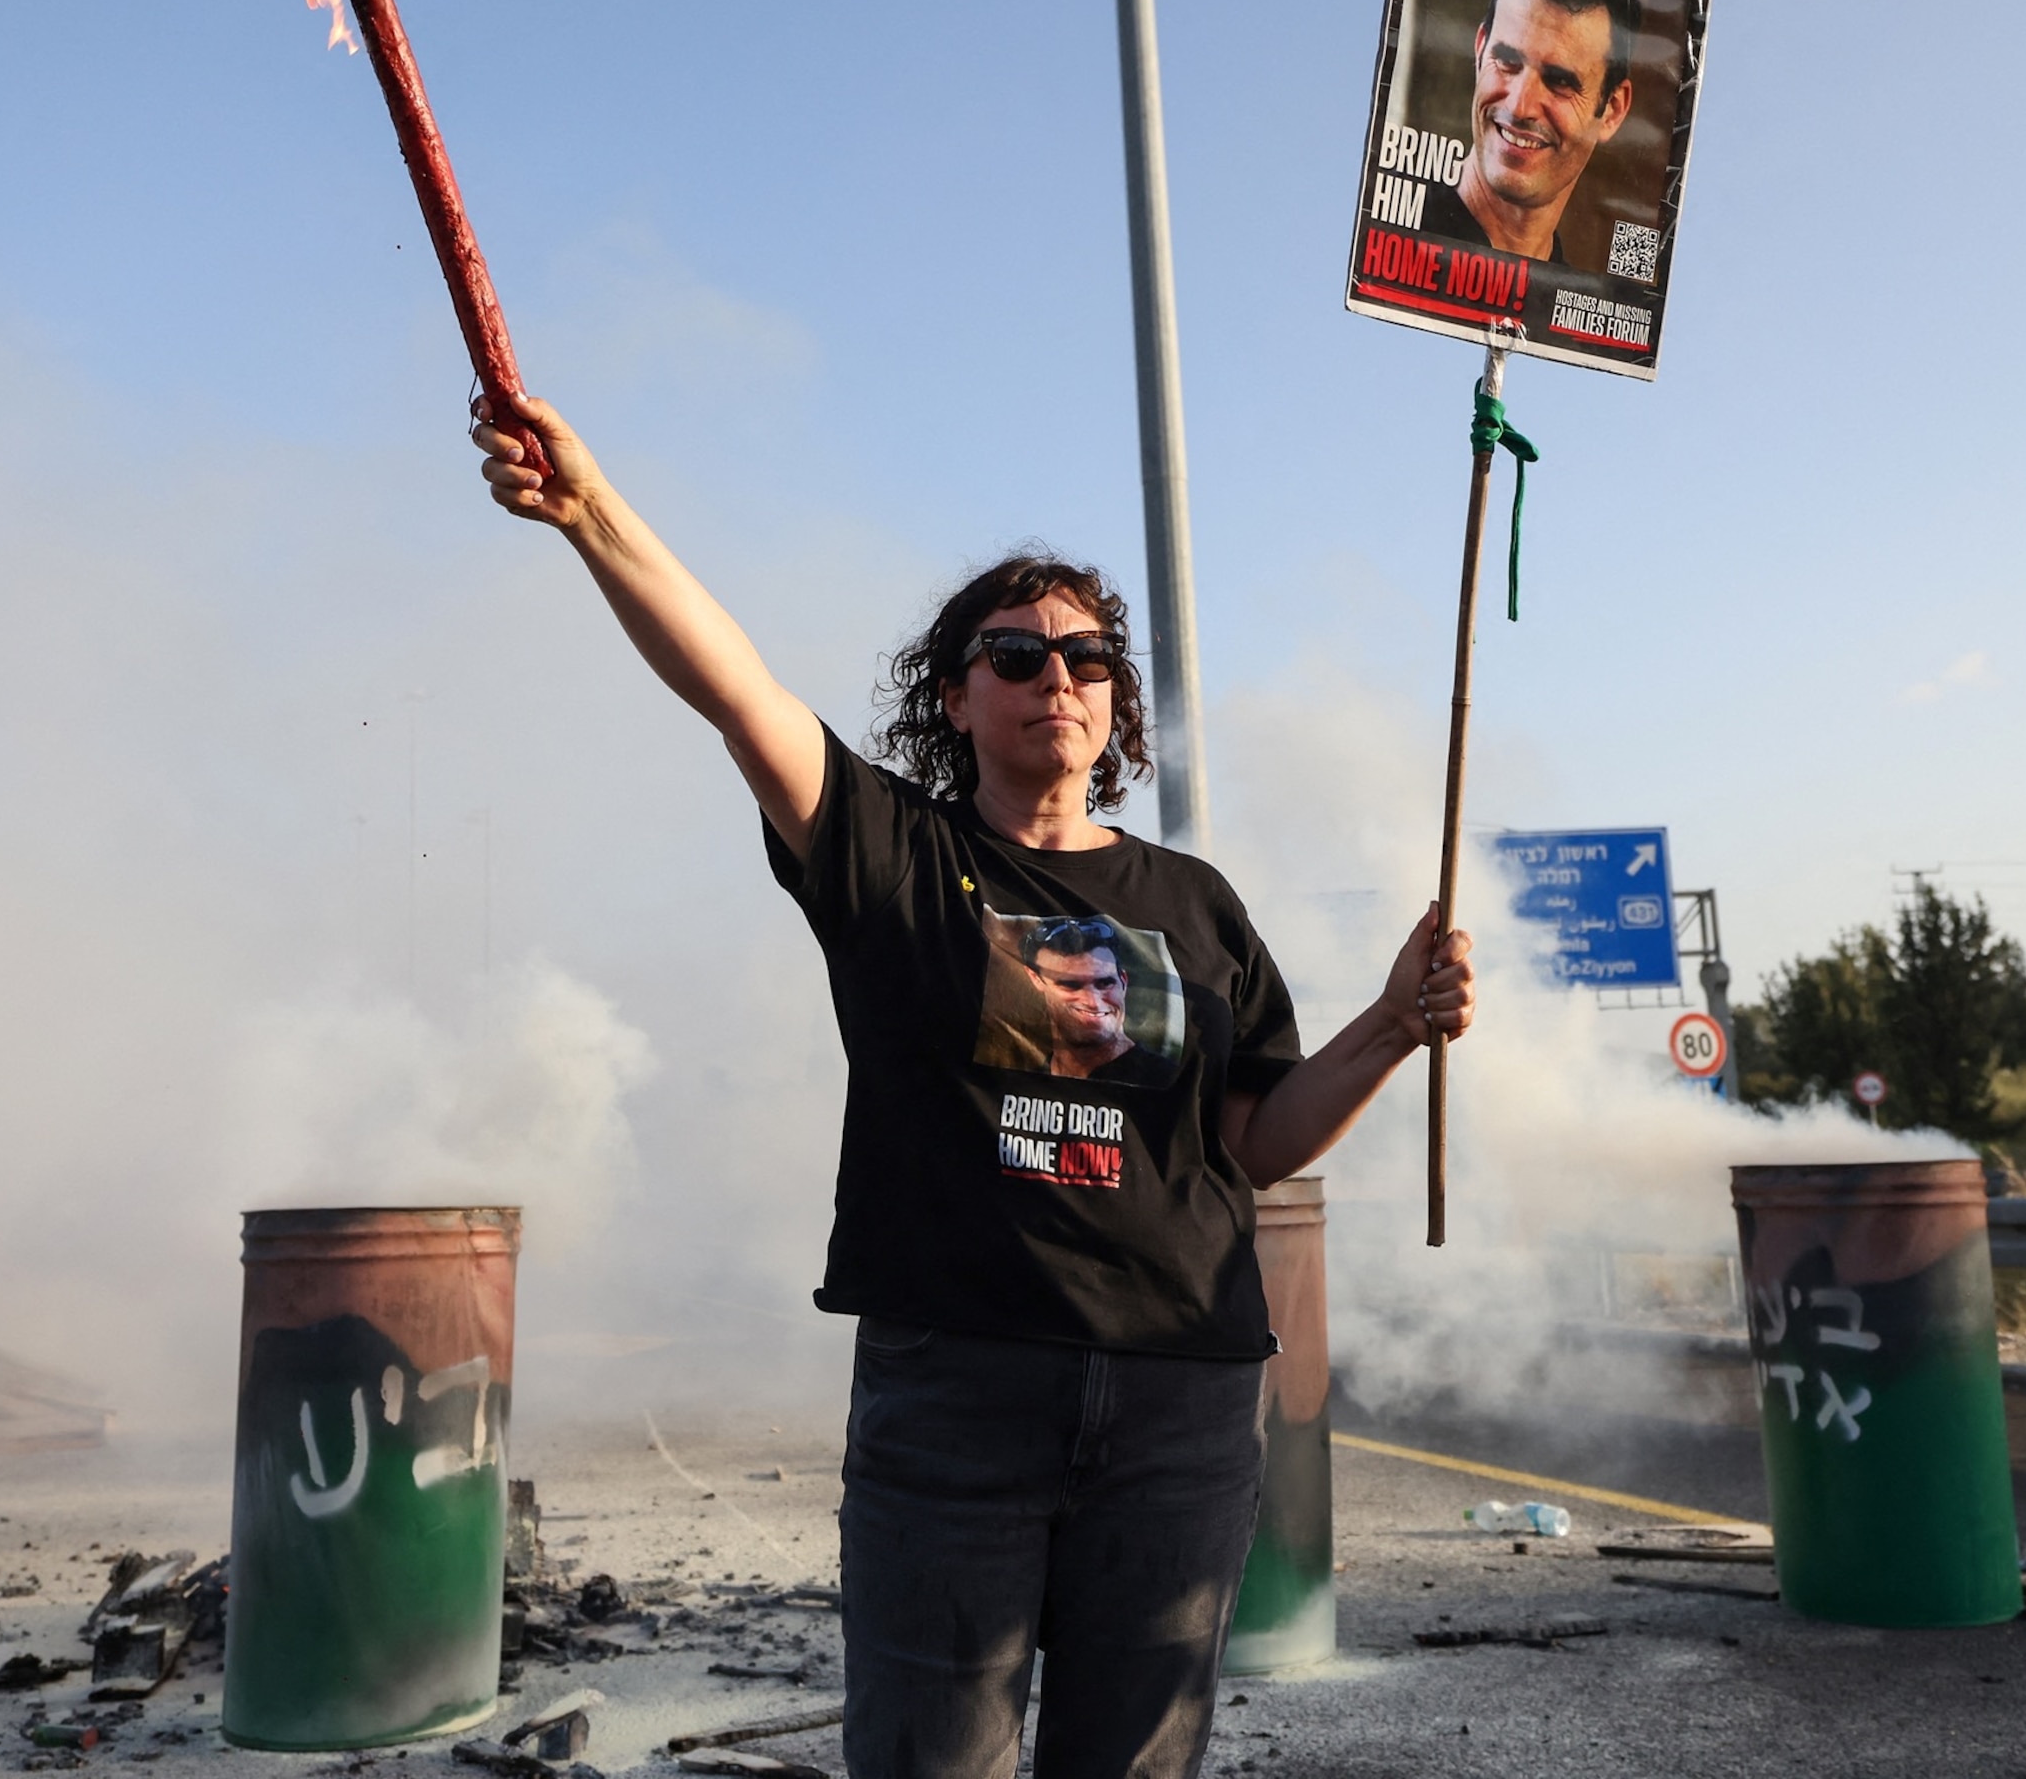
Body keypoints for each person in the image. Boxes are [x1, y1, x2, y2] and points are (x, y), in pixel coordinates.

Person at [472, 395, 1476, 1779]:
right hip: (957, 1398)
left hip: (1181, 1402)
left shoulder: (1196, 901)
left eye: (1085, 655)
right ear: (957, 695)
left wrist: (1390, 1023)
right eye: (1015, 654)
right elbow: (736, 690)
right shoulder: (889, 853)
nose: (1054, 675)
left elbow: (1254, 1141)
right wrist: (590, 512)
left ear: (1116, 696)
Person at [1423, 0, 1644, 262]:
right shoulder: (1397, 232)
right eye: (1508, 61)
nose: (1519, 106)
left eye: (1560, 82)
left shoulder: (1567, 306)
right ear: (1480, 51)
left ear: (1612, 109)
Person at [1024, 917, 1173, 1086]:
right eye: (1071, 985)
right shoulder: (1021, 1079)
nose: (1093, 1002)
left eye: (1105, 983)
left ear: (1123, 982)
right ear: (1035, 979)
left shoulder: (1169, 1081)